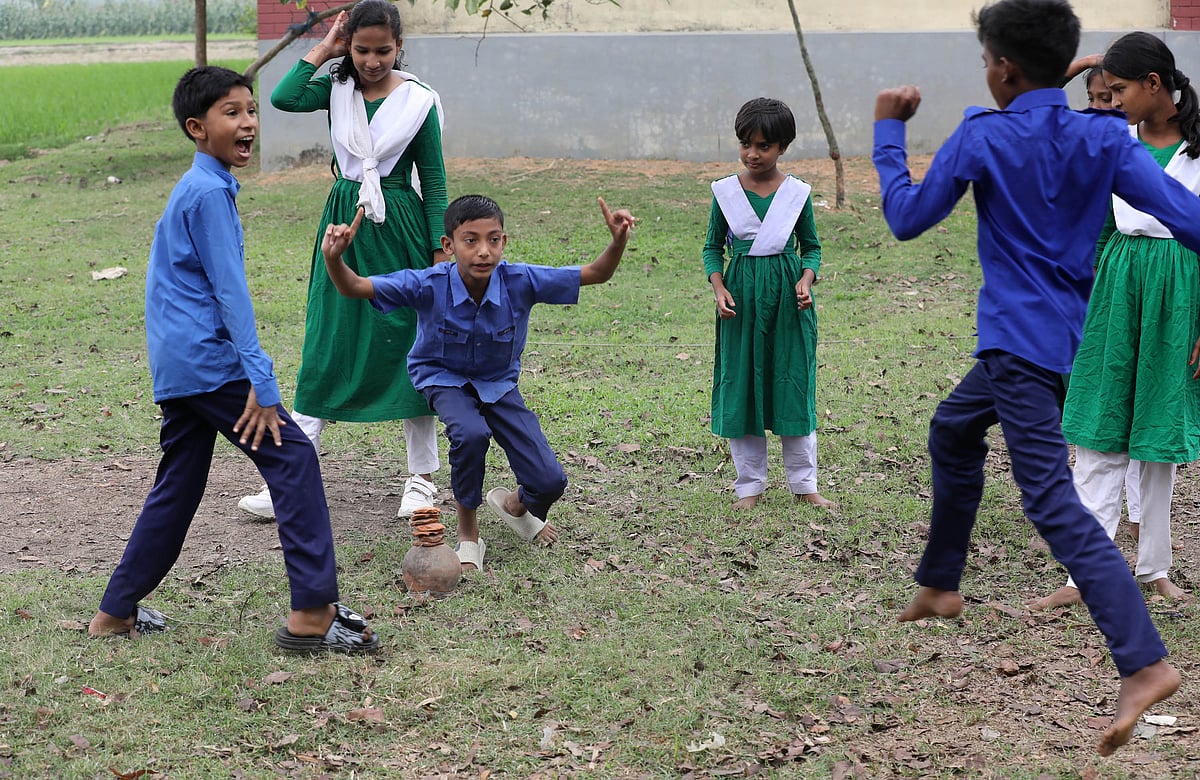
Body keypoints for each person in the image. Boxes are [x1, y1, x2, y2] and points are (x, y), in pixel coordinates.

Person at [872, 0, 1200, 757]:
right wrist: (1065, 84)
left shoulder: (985, 134)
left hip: (1017, 344)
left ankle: (1144, 663)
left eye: (989, 60)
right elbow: (1187, 220)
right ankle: (941, 583)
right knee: (952, 429)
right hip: (1057, 342)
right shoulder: (1104, 138)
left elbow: (907, 217)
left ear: (1003, 68)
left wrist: (890, 132)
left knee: (1050, 499)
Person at [88, 66, 379, 655]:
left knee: (178, 484)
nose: (248, 122)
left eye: (251, 110)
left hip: (181, 365)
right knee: (294, 457)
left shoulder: (203, 186)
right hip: (206, 362)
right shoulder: (207, 194)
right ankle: (311, 616)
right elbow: (230, 292)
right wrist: (260, 379)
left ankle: (115, 612)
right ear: (197, 128)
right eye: (231, 113)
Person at [319, 195, 635, 572]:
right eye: (471, 240)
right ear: (449, 245)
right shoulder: (428, 284)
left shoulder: (520, 280)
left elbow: (595, 273)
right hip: (443, 378)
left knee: (550, 481)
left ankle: (514, 507)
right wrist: (334, 258)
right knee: (469, 434)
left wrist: (617, 242)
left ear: (504, 241)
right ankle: (469, 534)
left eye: (493, 239)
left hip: (498, 384)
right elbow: (354, 287)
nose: (483, 251)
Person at [238, 0, 447, 520]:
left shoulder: (418, 102)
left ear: (400, 48)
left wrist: (441, 253)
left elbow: (436, 181)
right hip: (342, 225)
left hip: (399, 223)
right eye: (361, 50)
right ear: (348, 48)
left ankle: (421, 479)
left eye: (382, 50)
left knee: (409, 343)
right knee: (328, 339)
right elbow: (284, 97)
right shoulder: (338, 89)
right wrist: (325, 48)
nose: (372, 61)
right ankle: (288, 475)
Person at [1034, 32, 1197, 611]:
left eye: (1122, 88)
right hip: (1115, 291)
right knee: (1097, 437)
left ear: (1155, 85)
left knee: (1154, 442)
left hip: (1181, 298)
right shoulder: (1112, 142)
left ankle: (1155, 568)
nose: (1113, 98)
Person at [703, 97, 834, 511]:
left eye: (763, 146)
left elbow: (810, 247)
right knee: (743, 386)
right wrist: (719, 287)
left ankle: (805, 484)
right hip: (740, 304)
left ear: (783, 147)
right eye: (745, 144)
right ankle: (749, 487)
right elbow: (712, 249)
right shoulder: (725, 193)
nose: (752, 154)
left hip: (789, 306)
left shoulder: (797, 194)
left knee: (791, 383)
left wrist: (806, 278)